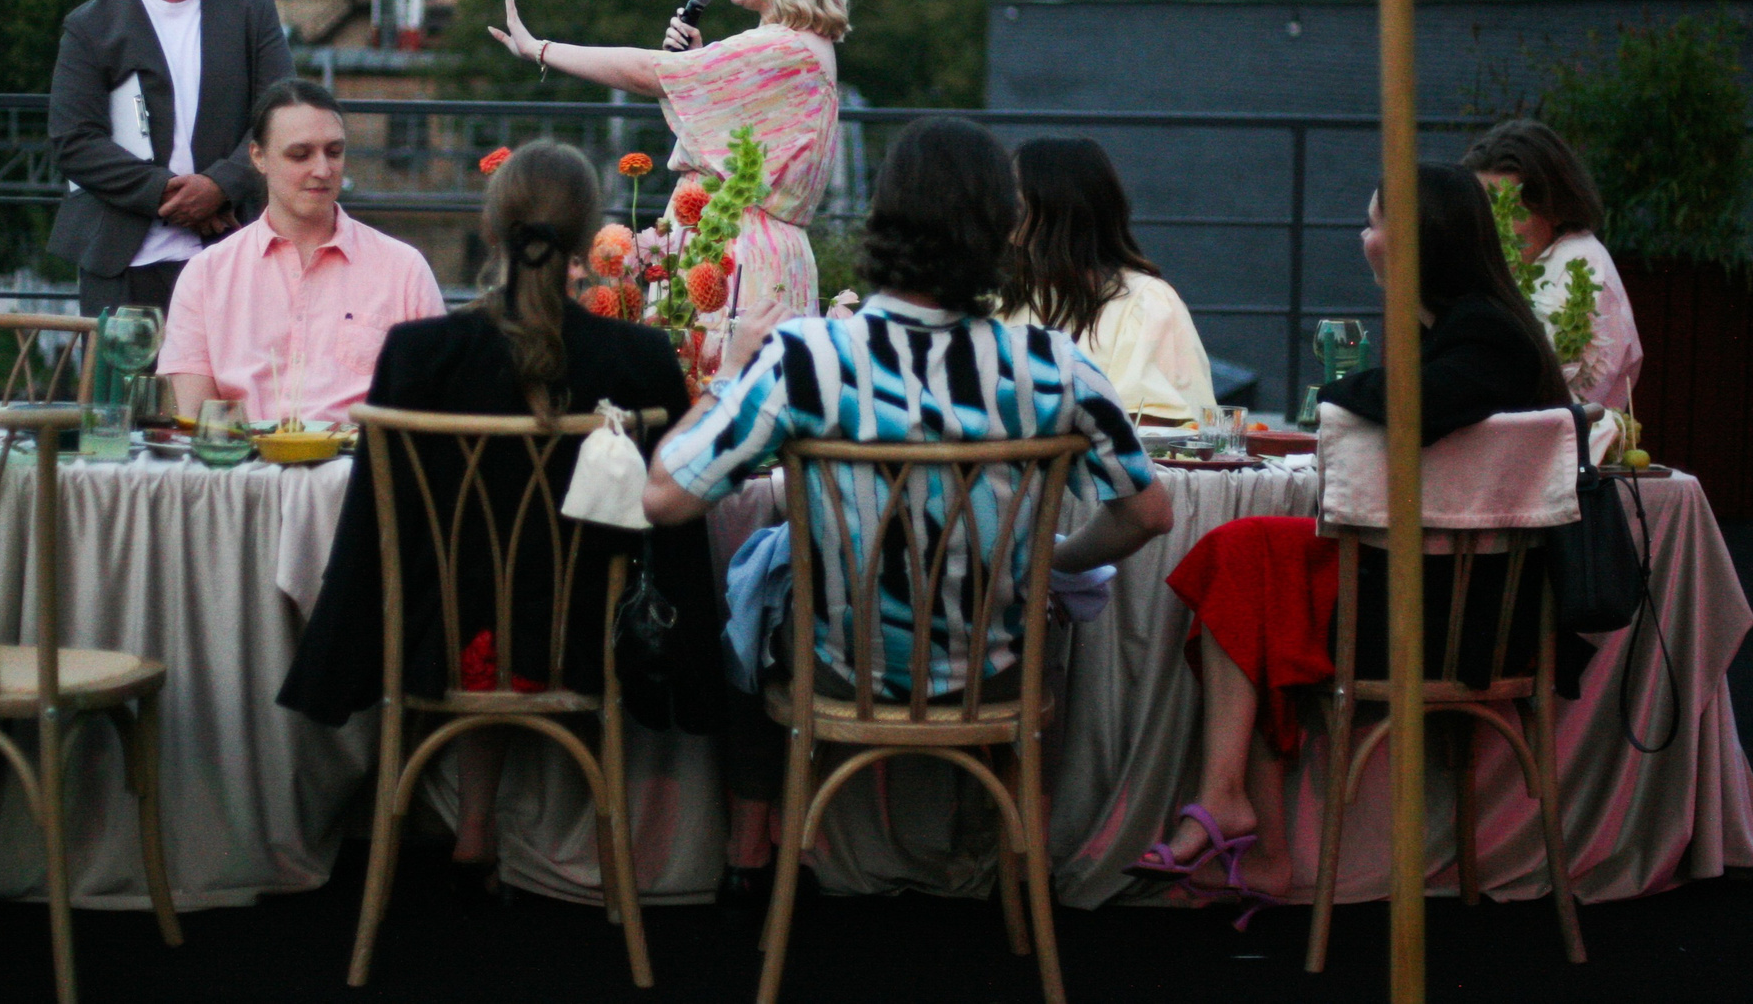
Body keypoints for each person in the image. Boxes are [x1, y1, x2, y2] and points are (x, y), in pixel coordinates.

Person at [646, 118, 1173, 883]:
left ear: (885, 220)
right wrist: (1051, 562)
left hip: (837, 667)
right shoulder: (1053, 366)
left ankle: (751, 852)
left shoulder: (808, 358)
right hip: (994, 673)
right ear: (1000, 231)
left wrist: (734, 371)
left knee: (757, 594)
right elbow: (1149, 512)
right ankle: (1029, 868)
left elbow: (665, 497)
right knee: (1050, 643)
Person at [279, 141, 723, 868]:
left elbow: (368, 528)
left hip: (444, 641)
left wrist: (339, 654)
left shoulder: (419, 353)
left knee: (474, 581)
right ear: (588, 244)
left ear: (490, 230)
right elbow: (673, 528)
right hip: (585, 641)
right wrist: (693, 675)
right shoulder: (638, 359)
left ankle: (472, 828)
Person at [1138, 163, 1571, 901]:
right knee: (1241, 553)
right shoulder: (1468, 325)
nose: (1363, 240)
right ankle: (1236, 813)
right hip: (1434, 586)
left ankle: (1240, 817)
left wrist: (1334, 396)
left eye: (1375, 225)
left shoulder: (1486, 334)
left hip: (1461, 617)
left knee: (1249, 567)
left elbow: (1417, 403)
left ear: (1418, 242)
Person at [489, 0, 844, 338]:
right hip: (739, 254)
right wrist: (697, 67)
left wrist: (541, 48)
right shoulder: (798, 45)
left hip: (736, 264)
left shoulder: (784, 47)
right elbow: (727, 150)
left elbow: (644, 73)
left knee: (710, 394)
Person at [49, 0, 294, 316]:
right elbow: (75, 143)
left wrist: (220, 185)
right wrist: (173, 195)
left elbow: (281, 119)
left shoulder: (251, 11)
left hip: (233, 249)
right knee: (126, 389)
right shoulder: (92, 27)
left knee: (226, 390)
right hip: (124, 265)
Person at [158, 79, 442, 423]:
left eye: (334, 152)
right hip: (241, 466)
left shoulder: (403, 269)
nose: (322, 170)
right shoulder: (206, 274)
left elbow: (434, 404)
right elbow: (193, 416)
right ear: (258, 157)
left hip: (361, 469)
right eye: (300, 154)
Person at [1001, 136, 1218, 426]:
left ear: (1061, 200)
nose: (1003, 199)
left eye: (1016, 189)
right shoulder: (999, 295)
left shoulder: (1145, 302)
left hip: (1096, 469)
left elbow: (1159, 427)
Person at [1462, 118, 1644, 411]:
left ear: (1556, 207)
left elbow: (1559, 407)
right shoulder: (1518, 260)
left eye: (1510, 210)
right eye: (1484, 207)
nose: (1491, 225)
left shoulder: (1582, 272)